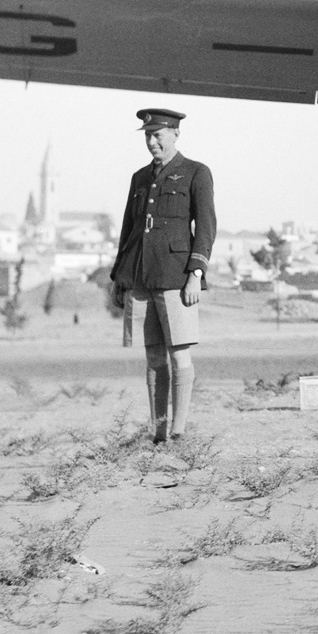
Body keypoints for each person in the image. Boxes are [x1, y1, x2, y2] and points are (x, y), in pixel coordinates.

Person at [111, 108, 216, 442]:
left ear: (175, 134)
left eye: (158, 135)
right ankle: (158, 431)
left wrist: (196, 273)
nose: (152, 142)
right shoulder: (139, 178)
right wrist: (120, 276)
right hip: (142, 276)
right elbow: (129, 230)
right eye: (147, 135)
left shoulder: (196, 173)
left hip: (176, 277)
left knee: (179, 352)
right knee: (153, 354)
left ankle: (179, 429)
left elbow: (206, 227)